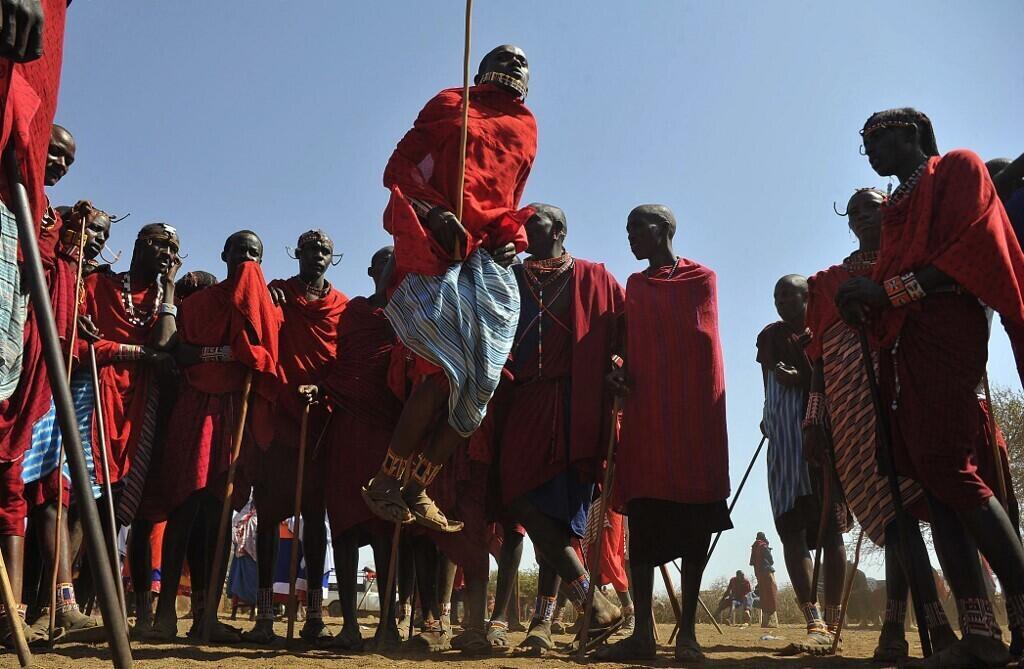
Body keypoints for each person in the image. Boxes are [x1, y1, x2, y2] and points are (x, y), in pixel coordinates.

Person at [837, 107, 1024, 668]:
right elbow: (892, 277)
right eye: (862, 142)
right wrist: (862, 299)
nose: (868, 149)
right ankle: (980, 637)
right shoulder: (896, 209)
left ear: (911, 133)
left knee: (951, 466)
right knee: (930, 478)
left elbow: (970, 251)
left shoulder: (960, 171)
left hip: (947, 331)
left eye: (876, 137)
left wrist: (885, 293)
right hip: (904, 347)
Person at [361, 44, 536, 533]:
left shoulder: (528, 128)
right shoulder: (449, 102)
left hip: (488, 259)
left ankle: (418, 485)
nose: (515, 66)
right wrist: (434, 212)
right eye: (505, 59)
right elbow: (397, 169)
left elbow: (510, 199)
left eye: (523, 63)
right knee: (441, 370)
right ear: (481, 69)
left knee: (482, 384)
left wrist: (508, 239)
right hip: (441, 249)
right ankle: (385, 481)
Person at [804, 187, 958, 662]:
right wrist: (814, 419)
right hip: (851, 412)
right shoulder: (827, 282)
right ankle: (897, 628)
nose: (865, 215)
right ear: (848, 222)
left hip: (901, 398)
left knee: (904, 514)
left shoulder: (909, 264)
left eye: (873, 206)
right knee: (892, 519)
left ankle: (919, 626)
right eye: (856, 211)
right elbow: (817, 360)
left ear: (891, 211)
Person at [598, 204, 732, 662]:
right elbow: (622, 346)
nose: (631, 235)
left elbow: (703, 346)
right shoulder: (634, 287)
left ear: (665, 229)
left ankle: (689, 635)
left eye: (638, 226)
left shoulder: (702, 279)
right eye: (627, 227)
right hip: (649, 419)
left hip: (695, 419)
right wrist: (614, 371)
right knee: (644, 516)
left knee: (696, 523)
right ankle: (643, 634)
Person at [491, 203, 625, 654]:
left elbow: (621, 336)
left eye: (536, 222)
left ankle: (542, 624)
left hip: (576, 403)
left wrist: (617, 367)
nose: (527, 229)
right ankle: (593, 600)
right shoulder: (511, 276)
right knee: (518, 498)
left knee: (559, 514)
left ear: (561, 229)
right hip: (525, 398)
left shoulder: (595, 278)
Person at [138, 230, 281, 642]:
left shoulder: (264, 307)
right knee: (186, 506)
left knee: (221, 515)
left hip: (236, 411)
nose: (247, 259)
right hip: (197, 408)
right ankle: (165, 614)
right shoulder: (199, 303)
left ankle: (206, 617)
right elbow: (178, 352)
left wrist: (248, 351)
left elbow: (267, 352)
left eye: (255, 253)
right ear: (224, 254)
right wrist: (224, 353)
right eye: (240, 251)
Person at [242, 229, 347, 646]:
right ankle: (265, 613)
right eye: (311, 250)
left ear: (332, 257)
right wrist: (270, 300)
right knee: (268, 516)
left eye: (325, 250)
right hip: (280, 414)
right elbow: (262, 328)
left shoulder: (342, 307)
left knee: (315, 520)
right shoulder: (279, 293)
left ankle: (315, 617)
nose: (317, 255)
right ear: (297, 253)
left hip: (319, 423)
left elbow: (343, 361)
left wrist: (321, 390)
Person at [758, 274, 848, 654]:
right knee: (790, 531)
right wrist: (767, 414)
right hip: (782, 447)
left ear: (808, 299)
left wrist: (804, 377)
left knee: (830, 531)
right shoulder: (770, 337)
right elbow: (767, 384)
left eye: (791, 295)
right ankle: (814, 620)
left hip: (820, 441)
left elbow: (840, 381)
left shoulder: (826, 333)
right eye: (778, 296)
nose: (783, 302)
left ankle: (834, 616)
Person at [319, 246, 404, 651]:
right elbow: (345, 363)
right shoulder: (355, 311)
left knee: (385, 526)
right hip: (349, 426)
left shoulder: (412, 311)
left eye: (399, 260)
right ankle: (350, 626)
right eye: (385, 261)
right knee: (346, 524)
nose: (393, 266)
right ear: (371, 271)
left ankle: (388, 624)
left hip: (390, 430)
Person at [749, 532, 777, 627]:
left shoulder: (754, 547)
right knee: (771, 593)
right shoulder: (763, 546)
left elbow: (752, 562)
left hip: (759, 574)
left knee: (764, 595)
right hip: (767, 572)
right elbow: (771, 560)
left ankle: (765, 622)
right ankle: (771, 621)